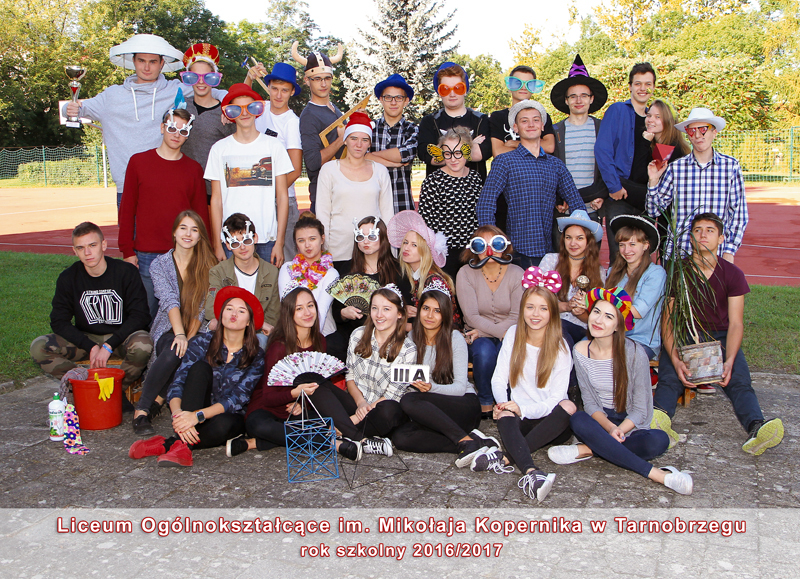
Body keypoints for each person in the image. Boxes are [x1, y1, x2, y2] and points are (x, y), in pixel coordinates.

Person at [652, 213, 784, 455]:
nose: (703, 234)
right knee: (670, 379)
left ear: (721, 238)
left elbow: (736, 324)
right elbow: (668, 321)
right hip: (685, 333)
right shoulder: (678, 270)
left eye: (710, 230)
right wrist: (675, 358)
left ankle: (756, 427)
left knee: (739, 381)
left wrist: (730, 359)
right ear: (690, 237)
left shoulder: (732, 273)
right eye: (698, 230)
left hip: (720, 335)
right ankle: (658, 424)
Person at [547, 288, 694, 495]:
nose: (599, 320)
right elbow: (590, 403)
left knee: (659, 440)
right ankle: (659, 475)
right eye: (596, 312)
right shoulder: (580, 351)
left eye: (609, 316)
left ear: (618, 325)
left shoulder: (634, 353)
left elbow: (641, 409)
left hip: (631, 422)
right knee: (578, 419)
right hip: (602, 421)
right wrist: (609, 429)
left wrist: (621, 430)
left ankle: (589, 449)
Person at [63, 34, 222, 207]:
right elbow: (75, 109)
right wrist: (70, 108)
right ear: (133, 61)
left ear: (162, 63)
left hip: (167, 185)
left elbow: (212, 91)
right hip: (127, 188)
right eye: (141, 61)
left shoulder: (175, 89)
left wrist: (228, 105)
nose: (147, 67)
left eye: (153, 62)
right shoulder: (111, 96)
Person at [128, 287, 265, 467]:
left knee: (225, 425)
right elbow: (178, 382)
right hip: (194, 406)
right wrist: (178, 416)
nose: (234, 314)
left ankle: (168, 444)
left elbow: (237, 399)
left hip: (226, 415)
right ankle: (182, 448)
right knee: (200, 368)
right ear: (221, 315)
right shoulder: (201, 342)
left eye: (241, 311)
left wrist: (197, 417)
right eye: (229, 308)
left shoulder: (256, 355)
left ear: (249, 322)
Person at [470, 272, 574, 504]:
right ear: (522, 309)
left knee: (568, 405)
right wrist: (503, 404)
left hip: (550, 421)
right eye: (530, 307)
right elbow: (499, 379)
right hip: (518, 418)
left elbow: (556, 398)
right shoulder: (513, 334)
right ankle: (532, 472)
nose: (535, 314)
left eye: (543, 308)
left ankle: (505, 457)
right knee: (505, 413)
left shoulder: (560, 347)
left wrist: (522, 409)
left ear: (552, 312)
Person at [229, 287, 362, 460]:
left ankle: (256, 443)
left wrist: (301, 402)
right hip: (267, 410)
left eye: (310, 306)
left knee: (333, 415)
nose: (307, 312)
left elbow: (315, 387)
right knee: (260, 427)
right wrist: (294, 394)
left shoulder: (319, 340)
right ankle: (331, 443)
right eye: (299, 308)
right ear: (289, 314)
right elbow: (268, 397)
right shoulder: (279, 346)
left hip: (296, 411)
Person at [30, 222, 153, 402]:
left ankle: (114, 392)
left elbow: (140, 315)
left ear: (103, 245)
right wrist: (91, 346)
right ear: (74, 251)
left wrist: (109, 345)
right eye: (81, 248)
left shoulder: (125, 272)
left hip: (121, 339)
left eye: (92, 245)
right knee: (39, 347)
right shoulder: (68, 277)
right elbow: (58, 321)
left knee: (144, 344)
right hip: (87, 339)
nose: (87, 253)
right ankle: (85, 385)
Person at [118, 108, 210, 319]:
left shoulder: (194, 169)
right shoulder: (138, 162)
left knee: (183, 314)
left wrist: (205, 251)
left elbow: (200, 216)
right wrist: (127, 250)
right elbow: (127, 209)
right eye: (172, 128)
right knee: (145, 314)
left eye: (183, 131)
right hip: (147, 254)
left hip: (183, 254)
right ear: (162, 128)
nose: (177, 135)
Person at [132, 211, 217, 436]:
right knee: (173, 351)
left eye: (194, 230)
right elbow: (169, 300)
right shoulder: (159, 264)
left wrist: (188, 338)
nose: (188, 234)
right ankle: (142, 409)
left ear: (200, 236)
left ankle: (158, 401)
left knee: (187, 351)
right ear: (174, 232)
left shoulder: (209, 265)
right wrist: (180, 335)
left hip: (197, 329)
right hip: (169, 328)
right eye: (183, 228)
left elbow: (202, 308)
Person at [393, 282, 495, 466]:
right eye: (426, 308)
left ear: (445, 314)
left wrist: (431, 387)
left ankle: (464, 440)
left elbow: (460, 388)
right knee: (401, 437)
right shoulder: (412, 337)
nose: (430, 316)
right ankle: (472, 443)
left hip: (463, 405)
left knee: (409, 400)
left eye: (437, 311)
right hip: (435, 411)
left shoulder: (454, 338)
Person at [476, 100, 585, 269]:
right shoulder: (505, 161)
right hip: (518, 250)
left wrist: (581, 235)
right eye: (524, 121)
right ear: (515, 127)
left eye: (536, 120)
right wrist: (491, 241)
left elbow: (576, 201)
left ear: (542, 126)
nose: (531, 124)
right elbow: (486, 202)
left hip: (550, 249)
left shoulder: (555, 164)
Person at [308, 286, 417, 454]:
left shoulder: (408, 349)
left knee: (389, 409)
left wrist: (351, 420)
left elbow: (393, 394)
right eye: (375, 308)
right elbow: (350, 376)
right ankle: (362, 439)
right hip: (356, 402)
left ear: (400, 314)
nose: (379, 315)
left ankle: (344, 432)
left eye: (386, 309)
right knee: (314, 383)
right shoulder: (358, 335)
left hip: (380, 411)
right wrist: (360, 403)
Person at [205, 83, 293, 265]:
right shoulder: (219, 149)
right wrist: (217, 243)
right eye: (237, 109)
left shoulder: (274, 146)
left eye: (250, 107)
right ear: (229, 113)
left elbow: (282, 197)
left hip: (267, 239)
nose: (244, 113)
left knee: (267, 285)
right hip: (231, 239)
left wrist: (280, 242)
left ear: (258, 110)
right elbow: (216, 200)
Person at [646, 108, 748, 263]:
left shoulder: (731, 167)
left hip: (716, 255)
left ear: (714, 132)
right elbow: (653, 210)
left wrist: (729, 250)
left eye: (703, 129)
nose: (698, 135)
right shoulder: (676, 168)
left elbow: (739, 214)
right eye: (692, 131)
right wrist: (653, 181)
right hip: (680, 255)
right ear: (688, 135)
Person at [456, 226, 524, 418]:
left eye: (496, 244)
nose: (489, 251)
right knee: (485, 352)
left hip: (508, 331)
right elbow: (471, 316)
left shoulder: (517, 273)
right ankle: (485, 399)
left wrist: (485, 332)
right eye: (481, 245)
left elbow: (517, 315)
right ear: (473, 249)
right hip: (478, 334)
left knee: (506, 349)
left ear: (505, 246)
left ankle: (508, 400)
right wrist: (488, 333)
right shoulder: (465, 273)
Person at [595, 62, 656, 263]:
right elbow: (602, 149)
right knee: (620, 254)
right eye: (638, 83)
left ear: (653, 87)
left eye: (648, 84)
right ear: (630, 86)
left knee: (642, 256)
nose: (643, 88)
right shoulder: (618, 110)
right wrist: (614, 186)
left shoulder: (654, 117)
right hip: (621, 194)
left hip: (645, 197)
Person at [315, 112, 395, 261]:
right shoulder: (329, 170)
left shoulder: (380, 171)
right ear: (345, 140)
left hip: (372, 253)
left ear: (370, 143)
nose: (359, 144)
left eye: (365, 140)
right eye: (353, 138)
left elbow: (387, 214)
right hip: (338, 252)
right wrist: (324, 250)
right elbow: (323, 214)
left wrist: (390, 251)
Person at [247, 61, 305, 262]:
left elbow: (295, 170)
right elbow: (240, 101)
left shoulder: (291, 122)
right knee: (257, 256)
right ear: (268, 87)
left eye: (284, 90)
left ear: (291, 92)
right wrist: (249, 77)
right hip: (254, 195)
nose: (279, 95)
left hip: (281, 198)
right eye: (275, 89)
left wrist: (271, 193)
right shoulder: (259, 108)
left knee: (284, 258)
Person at [549, 55, 609, 249]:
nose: (578, 100)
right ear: (566, 100)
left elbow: (610, 166)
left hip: (592, 206)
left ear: (591, 99)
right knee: (562, 261)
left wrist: (603, 194)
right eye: (573, 96)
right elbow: (549, 169)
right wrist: (558, 199)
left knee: (590, 261)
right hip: (564, 209)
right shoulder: (555, 132)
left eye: (584, 95)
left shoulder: (603, 129)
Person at [205, 213, 281, 348]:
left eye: (246, 241)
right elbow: (211, 311)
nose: (242, 247)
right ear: (228, 245)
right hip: (227, 332)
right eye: (235, 243)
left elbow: (273, 316)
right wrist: (256, 323)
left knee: (260, 343)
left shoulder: (272, 272)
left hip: (257, 335)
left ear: (255, 238)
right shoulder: (218, 272)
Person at [418, 126, 483, 278]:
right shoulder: (432, 181)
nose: (453, 159)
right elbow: (425, 221)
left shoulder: (476, 178)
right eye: (448, 154)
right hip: (444, 254)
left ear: (468, 151)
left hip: (472, 250)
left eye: (458, 153)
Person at [329, 216, 401, 351]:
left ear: (383, 238)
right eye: (360, 237)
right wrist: (344, 313)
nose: (365, 241)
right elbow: (336, 311)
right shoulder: (347, 269)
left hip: (388, 334)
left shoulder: (398, 270)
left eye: (372, 237)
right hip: (352, 334)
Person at [179, 43, 237, 204]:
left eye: (207, 77)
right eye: (195, 76)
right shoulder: (181, 107)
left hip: (217, 191)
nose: (201, 82)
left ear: (214, 78)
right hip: (186, 187)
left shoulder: (224, 113)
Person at [539, 210, 605, 345]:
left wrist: (580, 312)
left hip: (579, 328)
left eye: (579, 238)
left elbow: (595, 318)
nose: (573, 243)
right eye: (568, 237)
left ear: (589, 241)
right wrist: (566, 306)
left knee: (562, 332)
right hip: (548, 323)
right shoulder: (550, 260)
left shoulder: (598, 271)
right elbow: (537, 302)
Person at [293, 42, 345, 212]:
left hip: (343, 190)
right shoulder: (309, 115)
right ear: (307, 80)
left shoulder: (334, 108)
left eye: (327, 78)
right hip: (325, 195)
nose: (323, 84)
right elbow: (313, 162)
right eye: (317, 79)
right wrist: (341, 140)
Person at [605, 215, 666, 359]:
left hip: (641, 340)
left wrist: (603, 309)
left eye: (632, 244)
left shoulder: (655, 273)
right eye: (622, 245)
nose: (626, 250)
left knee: (617, 357)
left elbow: (637, 311)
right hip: (612, 336)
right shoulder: (613, 271)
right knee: (582, 348)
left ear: (646, 245)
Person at [417, 62, 492, 181]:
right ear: (439, 92)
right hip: (439, 190)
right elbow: (429, 157)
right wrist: (471, 145)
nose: (452, 94)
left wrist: (443, 150)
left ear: (465, 90)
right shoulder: (429, 122)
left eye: (458, 88)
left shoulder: (481, 120)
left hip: (475, 189)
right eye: (445, 89)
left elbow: (482, 154)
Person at [387, 210, 461, 329]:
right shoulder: (408, 276)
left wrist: (399, 326)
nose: (406, 248)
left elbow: (440, 325)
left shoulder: (435, 281)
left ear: (425, 251)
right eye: (405, 242)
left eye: (414, 245)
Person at [278, 212, 339, 337]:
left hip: (323, 336)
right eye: (301, 240)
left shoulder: (331, 273)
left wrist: (308, 343)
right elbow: (286, 307)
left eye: (312, 239)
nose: (307, 245)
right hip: (291, 335)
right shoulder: (287, 268)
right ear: (296, 243)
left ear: (322, 239)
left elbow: (321, 311)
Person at [367, 74, 419, 213]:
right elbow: (359, 156)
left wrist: (371, 156)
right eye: (388, 97)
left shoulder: (412, 129)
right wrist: (394, 163)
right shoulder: (370, 128)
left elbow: (405, 154)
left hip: (402, 202)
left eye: (399, 97)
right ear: (381, 99)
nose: (393, 102)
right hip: (372, 205)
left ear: (406, 101)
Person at [490, 64, 555, 157]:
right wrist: (535, 147)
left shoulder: (541, 115)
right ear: (509, 86)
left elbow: (549, 147)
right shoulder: (498, 117)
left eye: (529, 84)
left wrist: (515, 144)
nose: (523, 87)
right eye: (517, 83)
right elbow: (498, 152)